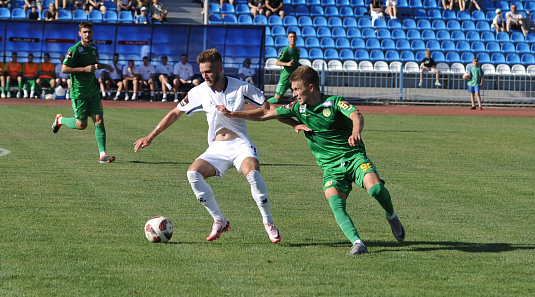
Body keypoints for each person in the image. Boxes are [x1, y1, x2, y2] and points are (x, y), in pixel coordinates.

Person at [217, 65, 404, 255]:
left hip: (353, 157)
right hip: (331, 168)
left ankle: (392, 216)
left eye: (297, 89)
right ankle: (357, 243)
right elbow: (266, 113)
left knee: (376, 189)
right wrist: (232, 114)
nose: (295, 94)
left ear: (311, 87)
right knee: (334, 199)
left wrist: (356, 131)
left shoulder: (334, 102)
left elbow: (356, 115)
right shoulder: (298, 108)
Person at [133, 48, 282, 244]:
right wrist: (151, 135)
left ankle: (268, 223)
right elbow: (174, 113)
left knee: (253, 174)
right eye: (202, 72)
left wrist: (295, 122)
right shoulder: (198, 92)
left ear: (220, 68)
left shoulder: (241, 88)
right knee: (193, 174)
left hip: (240, 145)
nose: (205, 76)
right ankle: (219, 220)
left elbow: (269, 110)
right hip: (216, 149)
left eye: (209, 71)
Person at [50, 22, 118, 163]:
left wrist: (104, 66)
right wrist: (84, 69)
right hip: (79, 91)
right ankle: (60, 120)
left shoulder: (94, 48)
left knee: (99, 120)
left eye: (89, 32)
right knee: (82, 125)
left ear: (92, 33)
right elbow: (64, 69)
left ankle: (103, 155)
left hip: (92, 90)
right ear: (79, 33)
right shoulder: (74, 50)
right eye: (84, 32)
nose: (87, 34)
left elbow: (93, 65)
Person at [268, 31, 301, 103]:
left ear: (296, 38)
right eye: (291, 37)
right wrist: (287, 64)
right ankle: (262, 105)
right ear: (288, 39)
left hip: (294, 77)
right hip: (285, 77)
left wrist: (301, 67)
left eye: (294, 37)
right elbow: (277, 62)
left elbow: (295, 62)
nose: (292, 39)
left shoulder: (297, 50)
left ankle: (301, 112)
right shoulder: (285, 50)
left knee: (299, 96)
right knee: (277, 98)